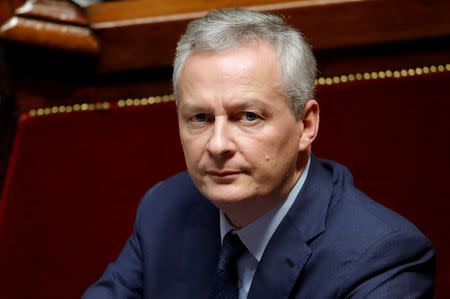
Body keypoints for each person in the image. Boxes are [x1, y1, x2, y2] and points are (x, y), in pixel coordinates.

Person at [83, 8, 435, 298]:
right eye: (200, 118)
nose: (218, 144)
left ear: (306, 125)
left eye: (248, 116)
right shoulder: (165, 208)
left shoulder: (381, 259)